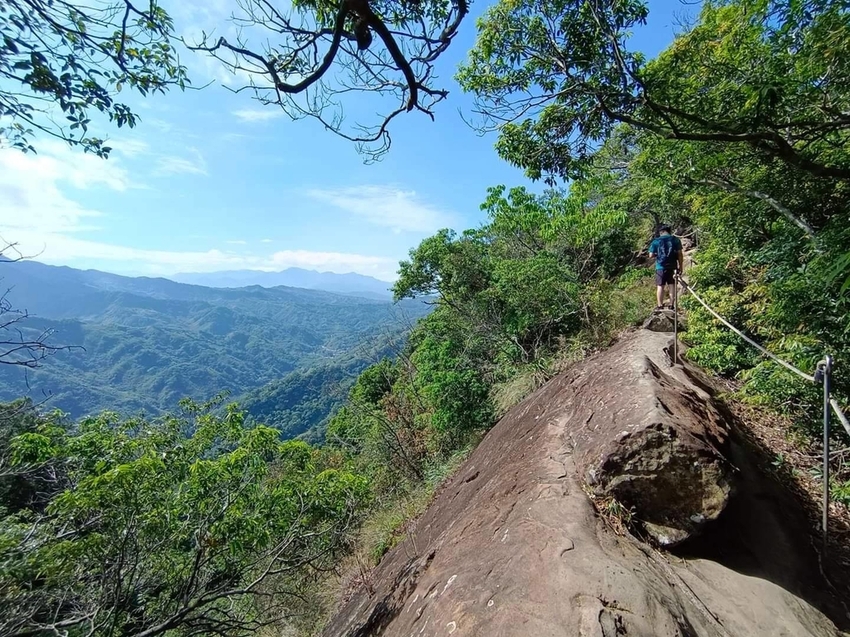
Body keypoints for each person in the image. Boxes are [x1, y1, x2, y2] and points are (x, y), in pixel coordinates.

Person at [648, 224, 683, 310]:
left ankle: (660, 305)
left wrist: (657, 254)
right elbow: (680, 254)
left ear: (662, 232)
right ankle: (671, 305)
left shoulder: (656, 241)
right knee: (672, 285)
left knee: (660, 286)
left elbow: (650, 255)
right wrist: (681, 267)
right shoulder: (675, 240)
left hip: (660, 267)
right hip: (673, 266)